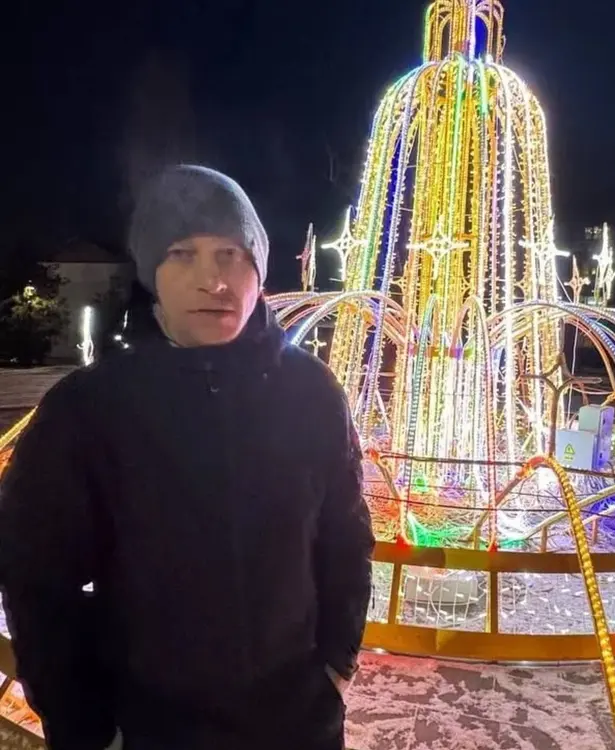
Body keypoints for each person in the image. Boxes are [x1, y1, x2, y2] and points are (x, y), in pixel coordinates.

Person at [0, 165, 375, 750]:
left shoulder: (311, 394)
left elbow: (345, 541)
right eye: (183, 254)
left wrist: (335, 665)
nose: (213, 280)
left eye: (231, 254)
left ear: (258, 268)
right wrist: (85, 727)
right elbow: (38, 580)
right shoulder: (89, 409)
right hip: (148, 729)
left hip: (296, 725)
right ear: (152, 270)